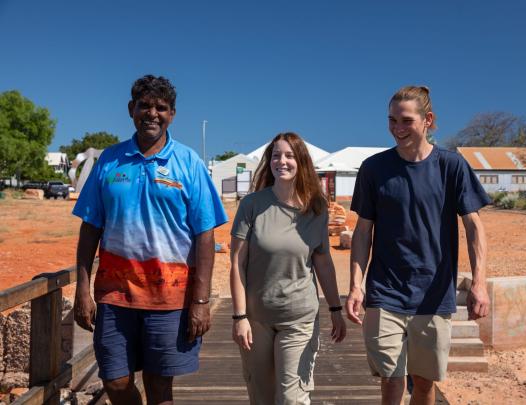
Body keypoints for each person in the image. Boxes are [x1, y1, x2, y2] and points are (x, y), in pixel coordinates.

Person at [73, 75, 227, 405]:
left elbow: (205, 234)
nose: (152, 113)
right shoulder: (109, 161)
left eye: (161, 107)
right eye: (145, 106)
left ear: (172, 114)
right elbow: (90, 229)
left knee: (160, 388)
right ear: (131, 109)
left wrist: (200, 302)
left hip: (170, 300)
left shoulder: (188, 163)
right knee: (115, 382)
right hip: (115, 297)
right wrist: (82, 290)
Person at [345, 86, 491, 405]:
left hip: (434, 294)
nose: (397, 128)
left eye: (406, 120)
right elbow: (362, 232)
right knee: (391, 382)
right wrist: (356, 286)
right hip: (385, 291)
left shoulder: (451, 167)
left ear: (428, 120)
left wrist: (479, 284)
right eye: (392, 120)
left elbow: (474, 226)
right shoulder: (374, 169)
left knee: (424, 384)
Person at [229, 132, 347, 405]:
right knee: (262, 397)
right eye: (276, 155)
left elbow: (323, 262)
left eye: (289, 155)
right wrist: (239, 317)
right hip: (256, 319)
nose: (282, 161)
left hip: (299, 319)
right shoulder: (252, 205)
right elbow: (237, 263)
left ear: (301, 161)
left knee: (291, 400)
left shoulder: (316, 209)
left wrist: (335, 309)